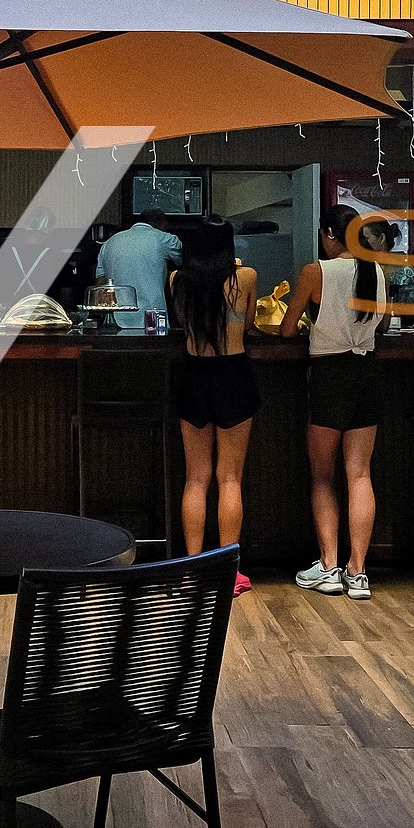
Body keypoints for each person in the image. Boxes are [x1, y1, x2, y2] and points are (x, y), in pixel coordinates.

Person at [278, 204, 392, 601]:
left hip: (329, 375)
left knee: (323, 475)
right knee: (359, 474)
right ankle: (358, 573)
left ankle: (328, 567)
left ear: (329, 234)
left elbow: (287, 329)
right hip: (368, 373)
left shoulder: (316, 272)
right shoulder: (377, 271)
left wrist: (314, 322)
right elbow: (384, 324)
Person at [168, 217, 258, 596]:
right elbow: (249, 322)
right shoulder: (246, 277)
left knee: (195, 478)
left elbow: (180, 321)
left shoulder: (177, 280)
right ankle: (227, 573)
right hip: (232, 374)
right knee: (229, 478)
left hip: (193, 375)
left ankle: (191, 570)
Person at [95, 209, 181, 330]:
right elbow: (183, 262)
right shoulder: (163, 238)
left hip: (116, 321)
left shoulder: (109, 243)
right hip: (153, 320)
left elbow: (100, 282)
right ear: (160, 223)